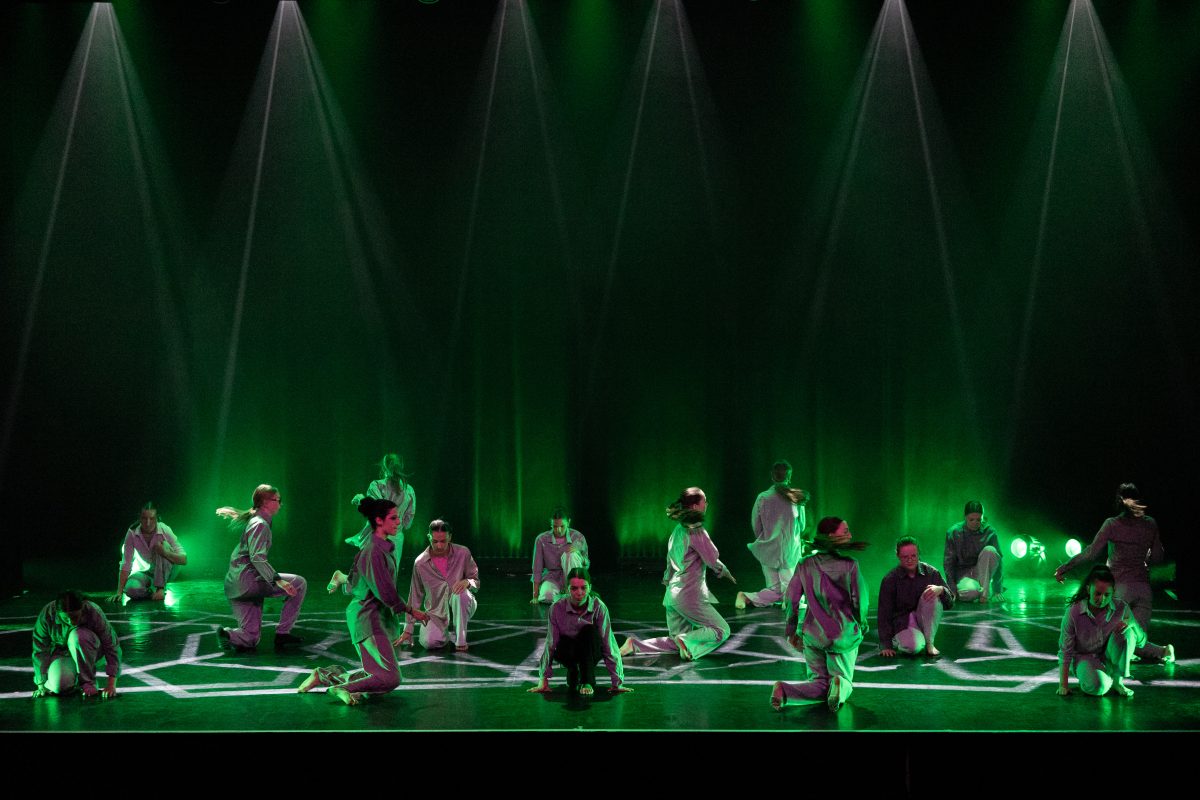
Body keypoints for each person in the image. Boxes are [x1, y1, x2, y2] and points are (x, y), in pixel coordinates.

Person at [298, 498, 429, 705]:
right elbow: (385, 591)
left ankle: (325, 675)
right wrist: (412, 611)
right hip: (367, 617)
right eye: (393, 518)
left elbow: (356, 584)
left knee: (377, 675)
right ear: (379, 520)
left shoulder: (382, 549)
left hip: (374, 616)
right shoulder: (373, 551)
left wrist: (343, 579)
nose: (398, 522)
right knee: (390, 677)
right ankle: (339, 687)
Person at [1054, 483, 1174, 664]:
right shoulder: (1150, 524)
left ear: (1118, 502)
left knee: (1109, 642)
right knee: (1136, 642)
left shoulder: (1112, 524)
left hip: (1118, 591)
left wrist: (1065, 567)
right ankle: (1165, 651)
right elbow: (1158, 558)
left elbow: (1091, 552)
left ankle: (1134, 652)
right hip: (1142, 591)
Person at [619, 487, 736, 661]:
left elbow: (669, 563)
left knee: (676, 643)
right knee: (721, 630)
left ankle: (635, 645)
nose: (707, 504)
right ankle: (685, 640)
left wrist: (667, 583)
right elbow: (712, 558)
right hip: (689, 595)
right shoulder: (696, 531)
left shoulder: (677, 531)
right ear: (695, 506)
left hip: (673, 595)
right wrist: (724, 571)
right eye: (704, 501)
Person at [771, 517, 868, 712]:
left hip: (812, 635)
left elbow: (791, 600)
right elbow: (860, 601)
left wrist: (791, 631)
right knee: (844, 682)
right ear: (831, 535)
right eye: (845, 531)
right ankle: (840, 683)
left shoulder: (805, 564)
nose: (850, 535)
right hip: (841, 636)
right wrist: (862, 623)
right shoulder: (850, 565)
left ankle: (784, 691)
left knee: (820, 684)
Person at [216, 484, 308, 651]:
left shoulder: (256, 521)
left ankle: (228, 635)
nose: (280, 504)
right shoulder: (260, 524)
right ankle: (282, 633)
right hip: (249, 582)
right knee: (299, 583)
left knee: (251, 638)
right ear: (266, 502)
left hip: (235, 586)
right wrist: (278, 580)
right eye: (277, 500)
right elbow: (257, 558)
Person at [528, 568, 631, 696]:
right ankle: (573, 669)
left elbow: (608, 643)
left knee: (589, 630)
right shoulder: (557, 608)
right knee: (563, 642)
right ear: (567, 589)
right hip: (568, 651)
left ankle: (587, 681)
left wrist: (617, 681)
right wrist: (543, 679)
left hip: (590, 651)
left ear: (590, 587)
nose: (579, 592)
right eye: (574, 588)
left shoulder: (599, 607)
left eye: (583, 588)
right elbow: (551, 643)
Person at [737, 460, 808, 609]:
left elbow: (756, 525)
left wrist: (766, 538)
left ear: (772, 476)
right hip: (789, 549)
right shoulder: (796, 498)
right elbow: (802, 526)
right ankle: (790, 601)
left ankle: (746, 596)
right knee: (789, 587)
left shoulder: (763, 497)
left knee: (775, 589)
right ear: (789, 476)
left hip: (768, 547)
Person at [398, 520, 479, 651]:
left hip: (463, 605)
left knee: (460, 594)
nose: (439, 546)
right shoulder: (420, 563)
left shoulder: (463, 553)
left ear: (450, 537)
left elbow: (476, 581)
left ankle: (460, 641)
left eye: (443, 541)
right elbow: (415, 596)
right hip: (436, 613)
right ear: (429, 537)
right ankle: (445, 632)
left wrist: (468, 582)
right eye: (435, 541)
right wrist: (408, 629)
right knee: (429, 643)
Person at [1057, 565, 1135, 698]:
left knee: (1127, 633)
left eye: (1107, 595)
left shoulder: (1121, 607)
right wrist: (1063, 685)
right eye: (1097, 593)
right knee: (1098, 687)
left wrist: (1128, 622)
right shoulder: (1074, 612)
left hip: (1107, 654)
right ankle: (1101, 677)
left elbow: (1134, 626)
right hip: (1084, 657)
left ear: (1113, 592)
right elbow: (1065, 651)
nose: (1102, 599)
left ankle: (1118, 681)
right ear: (1088, 589)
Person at [32, 590, 121, 699]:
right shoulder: (47, 614)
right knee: (59, 686)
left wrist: (111, 685)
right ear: (57, 612)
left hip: (91, 652)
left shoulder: (93, 611)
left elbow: (111, 646)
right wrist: (41, 684)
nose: (71, 622)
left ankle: (88, 682)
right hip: (64, 654)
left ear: (82, 608)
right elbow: (40, 650)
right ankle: (76, 680)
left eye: (74, 617)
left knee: (78, 636)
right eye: (65, 618)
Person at [878, 536, 953, 657]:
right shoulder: (890, 580)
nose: (910, 560)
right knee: (913, 647)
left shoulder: (931, 573)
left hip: (924, 621)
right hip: (903, 623)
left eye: (913, 556)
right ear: (898, 556)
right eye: (905, 557)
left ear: (919, 554)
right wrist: (886, 644)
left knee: (933, 593)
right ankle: (899, 639)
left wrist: (941, 590)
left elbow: (950, 603)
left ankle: (929, 643)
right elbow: (884, 614)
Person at [109, 502, 187, 602]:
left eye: (152, 518)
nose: (148, 523)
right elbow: (126, 563)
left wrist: (165, 552)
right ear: (139, 518)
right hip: (147, 571)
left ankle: (160, 589)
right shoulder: (132, 532)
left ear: (157, 518)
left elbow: (184, 559)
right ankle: (152, 592)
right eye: (144, 518)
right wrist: (119, 592)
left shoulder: (164, 529)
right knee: (131, 589)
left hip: (168, 570)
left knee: (162, 545)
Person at [346, 453, 416, 552]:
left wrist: (361, 500)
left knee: (372, 561)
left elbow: (376, 509)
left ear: (384, 467)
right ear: (401, 467)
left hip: (377, 537)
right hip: (396, 539)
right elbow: (408, 522)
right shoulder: (409, 490)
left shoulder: (377, 485)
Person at [944, 500, 1003, 602]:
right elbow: (948, 563)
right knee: (971, 592)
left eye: (978, 520)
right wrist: (952, 589)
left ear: (982, 517)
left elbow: (999, 560)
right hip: (963, 574)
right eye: (971, 519)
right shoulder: (954, 532)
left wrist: (997, 589)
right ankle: (980, 590)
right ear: (965, 517)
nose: (975, 523)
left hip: (982, 573)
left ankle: (984, 594)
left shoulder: (990, 532)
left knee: (990, 550)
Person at [530, 508, 590, 604]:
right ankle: (567, 597)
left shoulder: (578, 537)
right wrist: (535, 596)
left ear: (568, 522)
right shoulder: (541, 539)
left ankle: (572, 590)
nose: (558, 530)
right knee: (547, 596)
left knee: (571, 555)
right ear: (551, 524)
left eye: (562, 526)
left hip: (572, 577)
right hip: (552, 577)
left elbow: (586, 564)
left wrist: (578, 555)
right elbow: (537, 568)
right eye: (555, 526)